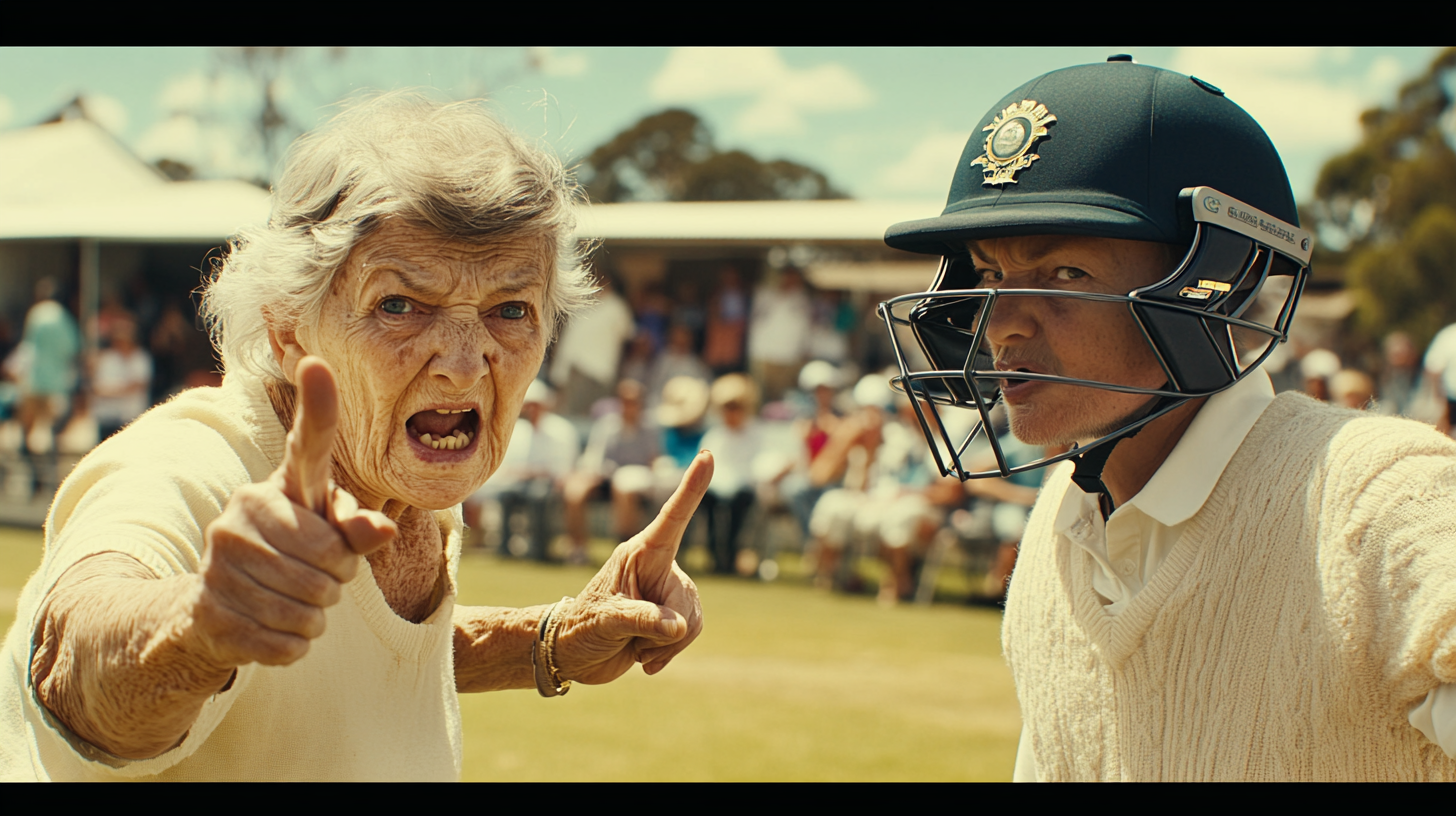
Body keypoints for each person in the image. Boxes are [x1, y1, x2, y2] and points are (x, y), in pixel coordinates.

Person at [0, 91, 711, 782]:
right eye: (399, 305)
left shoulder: (400, 476)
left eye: (510, 309)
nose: (463, 365)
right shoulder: (187, 467)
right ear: (287, 331)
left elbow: (351, 659)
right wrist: (200, 626)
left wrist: (547, 640)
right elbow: (75, 662)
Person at [879, 57, 1456, 780]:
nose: (1005, 326)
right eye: (991, 273)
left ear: (1207, 286)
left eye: (1065, 273)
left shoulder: (1376, 496)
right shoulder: (1061, 520)